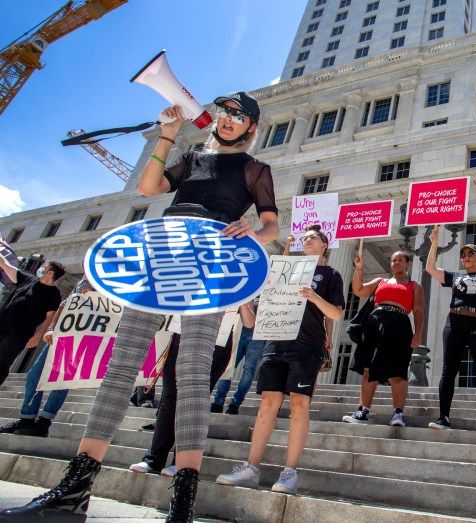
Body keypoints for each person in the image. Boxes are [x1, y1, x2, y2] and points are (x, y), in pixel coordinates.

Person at [0, 91, 279, 523]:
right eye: (225, 112)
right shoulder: (193, 156)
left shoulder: (255, 168)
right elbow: (150, 188)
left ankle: (182, 501)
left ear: (251, 127)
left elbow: (271, 223)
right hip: (163, 253)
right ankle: (76, 488)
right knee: (122, 361)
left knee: (191, 373)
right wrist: (166, 137)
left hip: (210, 263)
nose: (229, 119)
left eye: (239, 116)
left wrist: (254, 231)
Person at [215, 224, 344, 495]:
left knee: (299, 404)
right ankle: (251, 468)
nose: (307, 239)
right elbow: (252, 321)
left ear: (324, 245)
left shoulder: (330, 274)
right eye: (305, 237)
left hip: (307, 345)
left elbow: (335, 314)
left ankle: (290, 472)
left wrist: (313, 296)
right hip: (275, 341)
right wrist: (244, 299)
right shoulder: (285, 271)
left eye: (314, 237)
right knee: (267, 402)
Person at [130, 303, 254, 477]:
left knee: (194, 402)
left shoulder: (239, 285)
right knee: (169, 398)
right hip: (182, 336)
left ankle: (180, 463)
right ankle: (153, 459)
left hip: (217, 345)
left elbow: (250, 324)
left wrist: (245, 303)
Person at [425, 228, 476, 432]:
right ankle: (443, 417)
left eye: (470, 253)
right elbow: (430, 268)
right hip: (454, 321)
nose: (466, 257)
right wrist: (433, 243)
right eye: (463, 255)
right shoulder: (454, 276)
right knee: (448, 370)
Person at [0, 278, 92, 438]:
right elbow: (63, 306)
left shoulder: (107, 283)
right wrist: (50, 329)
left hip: (81, 337)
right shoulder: (82, 281)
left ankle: (44, 422)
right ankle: (27, 419)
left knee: (62, 381)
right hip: (61, 334)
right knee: (34, 375)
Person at [343, 250, 424, 427]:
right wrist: (358, 269)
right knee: (368, 370)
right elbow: (358, 290)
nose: (396, 263)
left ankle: (398, 414)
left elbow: (418, 311)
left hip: (400, 325)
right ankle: (363, 411)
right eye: (393, 260)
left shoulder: (415, 286)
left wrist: (417, 334)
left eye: (400, 260)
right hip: (374, 324)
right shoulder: (381, 281)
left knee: (398, 373)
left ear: (407, 263)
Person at [0, 258, 64, 387]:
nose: (41, 268)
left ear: (50, 273)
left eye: (45, 267)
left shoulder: (53, 294)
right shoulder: (27, 279)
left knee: (1, 363)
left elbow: (49, 318)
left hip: (17, 336)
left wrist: (38, 335)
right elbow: (5, 265)